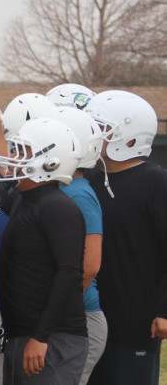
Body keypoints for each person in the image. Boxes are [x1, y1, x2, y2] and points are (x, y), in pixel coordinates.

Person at [0, 118, 88, 384]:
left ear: (51, 161)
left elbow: (68, 272)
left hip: (51, 338)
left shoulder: (58, 206)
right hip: (26, 334)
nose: (13, 158)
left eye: (21, 151)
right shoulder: (23, 199)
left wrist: (41, 336)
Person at [85, 90, 167, 385]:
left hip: (135, 319)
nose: (93, 134)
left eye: (102, 128)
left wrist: (164, 310)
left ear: (129, 137)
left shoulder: (157, 182)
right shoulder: (87, 179)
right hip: (89, 318)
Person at [41, 106, 107, 385]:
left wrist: (52, 312)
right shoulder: (62, 188)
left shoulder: (78, 194)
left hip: (80, 316)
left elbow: (90, 266)